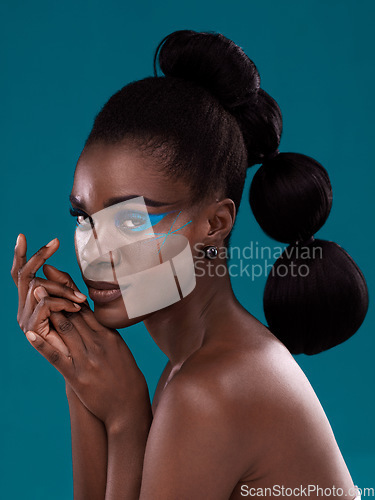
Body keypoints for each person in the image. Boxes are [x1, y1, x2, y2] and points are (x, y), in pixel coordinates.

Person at [11, 30, 368, 499]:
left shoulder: (212, 388)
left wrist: (125, 418)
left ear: (216, 224)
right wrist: (79, 378)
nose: (96, 252)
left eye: (133, 221)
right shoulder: (195, 364)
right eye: (84, 217)